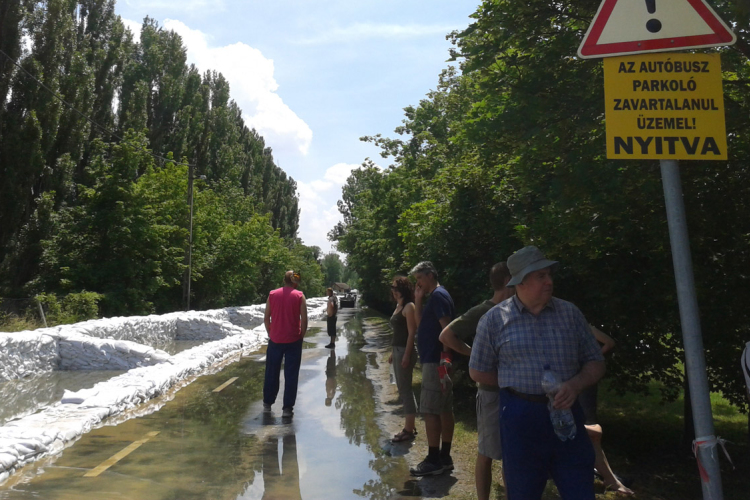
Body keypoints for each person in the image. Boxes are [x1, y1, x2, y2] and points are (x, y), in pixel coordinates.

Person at [470, 246, 605, 500]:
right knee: (522, 491)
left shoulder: (570, 313)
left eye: (549, 274)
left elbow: (595, 362)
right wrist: (513, 384)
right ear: (520, 282)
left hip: (567, 414)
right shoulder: (494, 320)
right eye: (540, 276)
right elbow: (477, 370)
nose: (549, 281)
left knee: (580, 488)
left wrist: (575, 385)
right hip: (520, 418)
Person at [439, 262, 514, 500]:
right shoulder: (483, 310)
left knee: (512, 452)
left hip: (516, 391)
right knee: (487, 452)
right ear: (507, 282)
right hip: (491, 392)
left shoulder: (519, 309)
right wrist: (473, 353)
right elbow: (446, 335)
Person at [409, 261, 455, 476]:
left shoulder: (438, 296)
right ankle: (444, 457)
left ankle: (434, 458)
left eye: (419, 279)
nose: (417, 283)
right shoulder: (434, 297)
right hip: (434, 359)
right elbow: (420, 324)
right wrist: (418, 300)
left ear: (429, 275)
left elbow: (447, 328)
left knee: (430, 410)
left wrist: (445, 359)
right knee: (444, 408)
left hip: (436, 361)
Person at [581, 326, 634, 495]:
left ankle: (606, 477)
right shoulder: (583, 325)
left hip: (577, 383)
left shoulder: (576, 324)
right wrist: (593, 359)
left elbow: (610, 343)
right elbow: (609, 343)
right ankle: (606, 477)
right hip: (580, 381)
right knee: (586, 431)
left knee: (589, 432)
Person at [263, 270, 308, 419]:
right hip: (293, 340)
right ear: (294, 281)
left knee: (271, 372)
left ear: (284, 280)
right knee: (291, 374)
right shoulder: (300, 296)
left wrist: (271, 332)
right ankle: (287, 408)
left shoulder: (272, 295)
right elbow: (304, 319)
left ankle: (268, 403)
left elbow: (266, 318)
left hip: (275, 340)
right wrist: (301, 336)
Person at [389, 275, 419, 443]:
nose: (393, 291)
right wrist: (393, 353)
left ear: (403, 289)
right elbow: (397, 333)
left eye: (396, 288)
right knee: (402, 388)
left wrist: (406, 354)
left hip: (405, 351)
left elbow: (411, 333)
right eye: (392, 288)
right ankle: (410, 425)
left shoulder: (409, 307)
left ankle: (408, 429)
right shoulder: (398, 306)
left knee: (405, 390)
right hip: (398, 350)